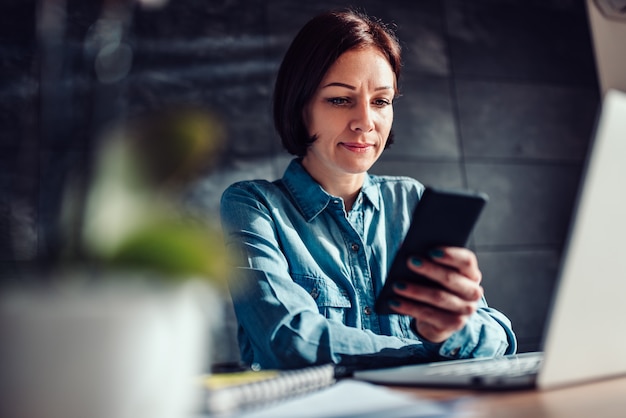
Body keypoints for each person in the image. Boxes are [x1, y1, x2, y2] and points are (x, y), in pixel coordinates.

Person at [220, 8, 516, 370]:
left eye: (380, 101)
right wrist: (425, 352)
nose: (365, 121)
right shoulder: (253, 206)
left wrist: (449, 330)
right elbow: (290, 339)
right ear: (301, 107)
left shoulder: (411, 201)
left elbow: (496, 335)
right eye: (340, 99)